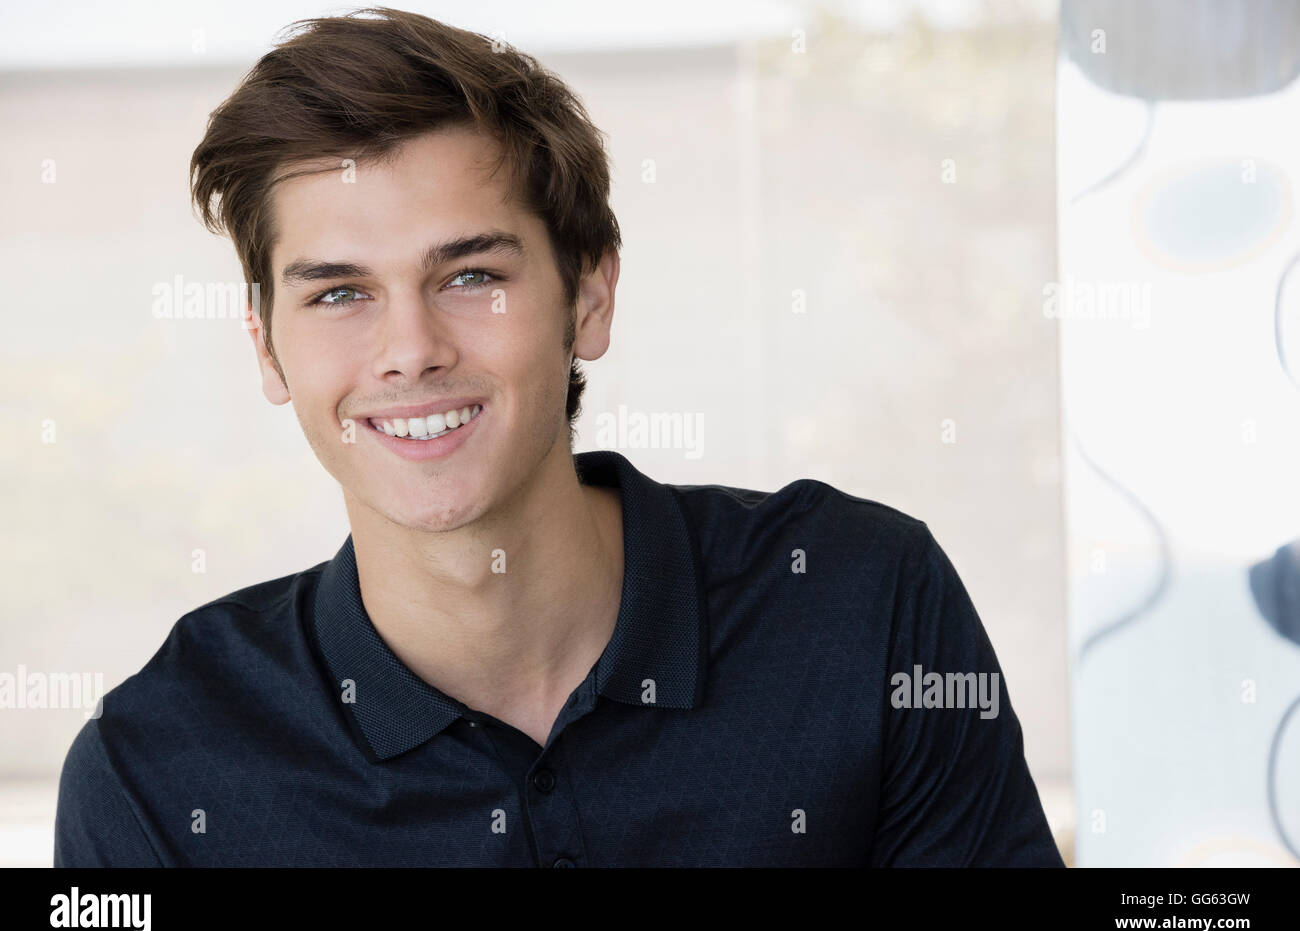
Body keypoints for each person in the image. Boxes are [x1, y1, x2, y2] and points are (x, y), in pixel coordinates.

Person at [53, 6, 1064, 867]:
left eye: (470, 276)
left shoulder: (860, 606)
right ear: (268, 349)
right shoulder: (156, 768)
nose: (410, 351)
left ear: (589, 292)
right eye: (339, 293)